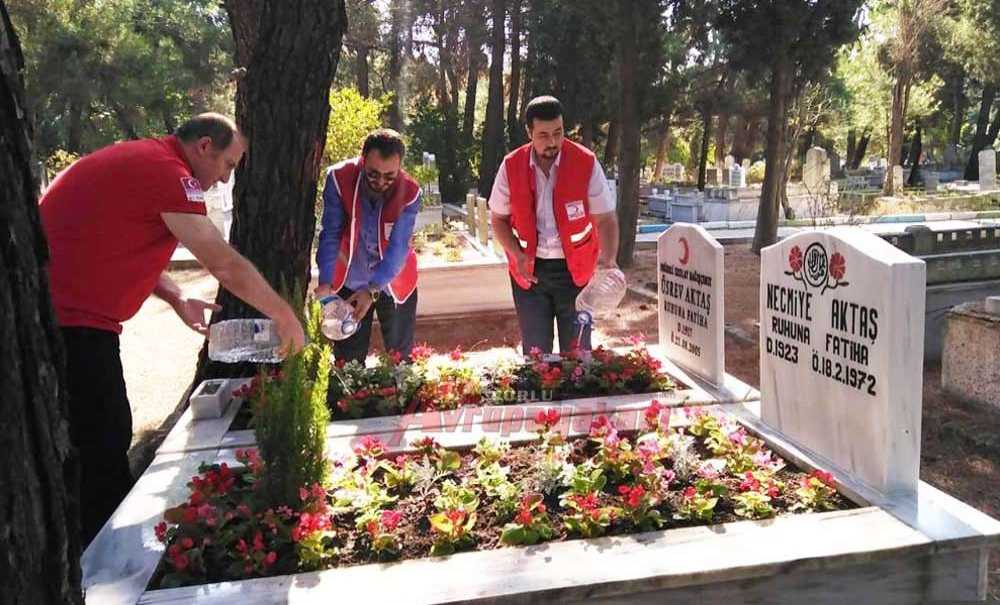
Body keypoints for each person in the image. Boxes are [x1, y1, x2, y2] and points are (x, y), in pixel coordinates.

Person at [39, 113, 306, 546]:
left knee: (99, 440)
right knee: (102, 447)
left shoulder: (150, 161)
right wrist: (285, 317)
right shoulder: (169, 173)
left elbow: (113, 242)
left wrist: (177, 296)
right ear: (204, 146)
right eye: (228, 165)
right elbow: (222, 262)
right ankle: (102, 564)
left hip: (71, 320)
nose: (225, 180)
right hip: (71, 325)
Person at [488, 95, 620, 355]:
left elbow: (606, 218)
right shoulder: (511, 166)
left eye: (558, 133)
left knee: (578, 352)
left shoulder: (585, 162)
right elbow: (498, 219)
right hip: (530, 273)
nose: (552, 142)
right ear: (529, 133)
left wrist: (608, 259)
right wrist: (517, 254)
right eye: (543, 135)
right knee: (536, 354)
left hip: (577, 274)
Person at [314, 128, 421, 363]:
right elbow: (331, 233)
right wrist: (326, 282)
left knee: (400, 360)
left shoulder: (410, 192)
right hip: (350, 281)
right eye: (373, 174)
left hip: (393, 282)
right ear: (363, 160)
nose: (380, 182)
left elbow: (398, 248)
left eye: (389, 176)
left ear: (400, 167)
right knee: (348, 362)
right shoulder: (339, 178)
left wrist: (372, 290)